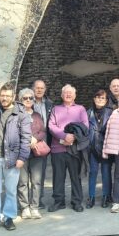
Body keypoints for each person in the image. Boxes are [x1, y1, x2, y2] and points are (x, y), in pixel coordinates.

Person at [0, 83, 31, 233]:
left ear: (13, 97)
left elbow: (26, 138)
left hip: (12, 158)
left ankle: (8, 217)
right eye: (2, 95)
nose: (4, 98)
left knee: (11, 190)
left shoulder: (21, 113)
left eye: (7, 95)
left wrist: (22, 158)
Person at [47, 84, 89, 213]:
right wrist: (65, 136)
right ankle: (59, 202)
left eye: (71, 92)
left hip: (74, 149)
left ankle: (77, 202)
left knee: (76, 177)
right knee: (58, 177)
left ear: (75, 95)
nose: (68, 94)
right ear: (61, 95)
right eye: (66, 92)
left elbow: (85, 126)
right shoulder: (55, 109)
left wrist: (73, 137)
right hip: (57, 149)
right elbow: (51, 126)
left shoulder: (81, 109)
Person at [17, 88, 47, 220]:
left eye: (30, 98)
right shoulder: (16, 115)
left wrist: (36, 138)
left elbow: (43, 131)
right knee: (23, 182)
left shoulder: (37, 115)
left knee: (36, 182)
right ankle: (24, 207)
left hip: (36, 153)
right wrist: (29, 139)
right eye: (25, 98)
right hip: (22, 153)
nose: (28, 100)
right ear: (20, 100)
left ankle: (34, 207)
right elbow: (14, 132)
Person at [86, 89, 113, 208]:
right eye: (98, 97)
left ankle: (106, 197)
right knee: (92, 173)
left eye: (103, 98)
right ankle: (91, 197)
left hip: (106, 148)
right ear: (94, 98)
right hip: (92, 148)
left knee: (106, 173)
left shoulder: (111, 113)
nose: (100, 100)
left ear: (106, 100)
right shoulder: (88, 112)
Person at [31, 79, 53, 210]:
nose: (39, 90)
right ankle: (26, 201)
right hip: (30, 140)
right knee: (24, 176)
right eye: (37, 87)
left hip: (43, 141)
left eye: (42, 88)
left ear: (45, 90)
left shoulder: (49, 104)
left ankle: (38, 199)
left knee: (40, 173)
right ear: (33, 88)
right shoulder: (26, 102)